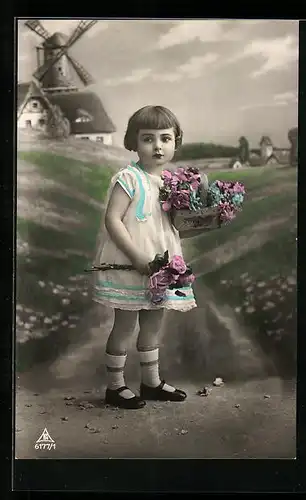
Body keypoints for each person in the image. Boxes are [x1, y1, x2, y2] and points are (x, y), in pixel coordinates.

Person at [92, 105, 199, 409]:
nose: (157, 146)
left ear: (175, 142)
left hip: (162, 264)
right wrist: (137, 257)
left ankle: (151, 382)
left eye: (165, 139)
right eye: (148, 139)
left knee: (153, 323)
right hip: (132, 261)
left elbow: (173, 224)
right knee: (125, 325)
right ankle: (115, 387)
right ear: (133, 143)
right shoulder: (129, 178)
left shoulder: (172, 182)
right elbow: (112, 219)